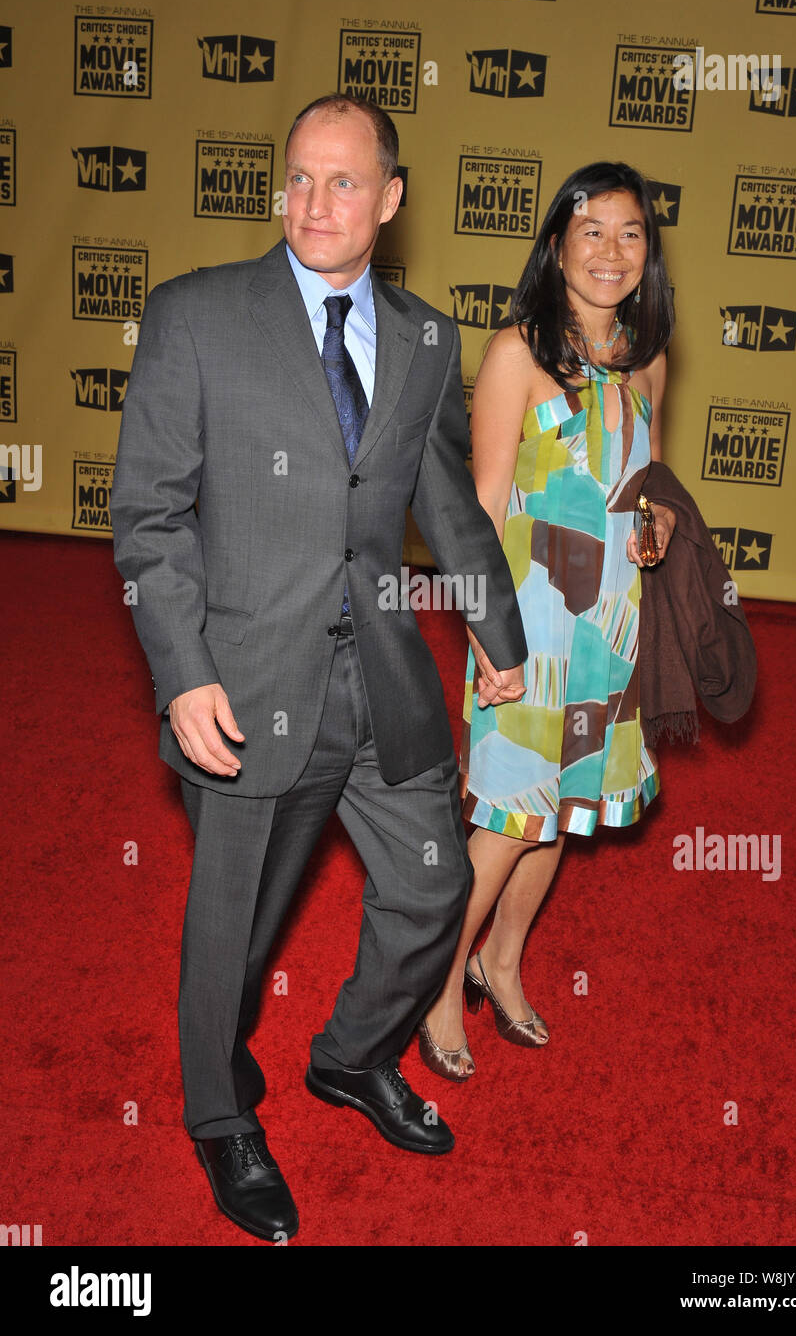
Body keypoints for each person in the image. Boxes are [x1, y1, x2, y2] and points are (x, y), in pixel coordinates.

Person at [110, 93, 527, 1242]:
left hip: (382, 675)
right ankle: (215, 1115)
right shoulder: (196, 316)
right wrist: (184, 669)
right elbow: (147, 519)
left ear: (390, 200)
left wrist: (499, 635)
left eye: (344, 182)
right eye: (298, 177)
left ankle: (347, 1056)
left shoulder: (429, 339)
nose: (315, 203)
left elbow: (448, 509)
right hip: (242, 687)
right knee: (232, 927)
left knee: (433, 890)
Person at [418, 161, 676, 1081]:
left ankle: (503, 961)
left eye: (631, 233)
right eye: (592, 230)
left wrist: (656, 524)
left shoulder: (645, 359)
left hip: (609, 630)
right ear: (558, 242)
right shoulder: (516, 354)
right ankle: (438, 988)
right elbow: (479, 511)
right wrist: (489, 642)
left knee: (559, 818)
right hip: (527, 629)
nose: (611, 252)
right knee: (504, 824)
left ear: (649, 252)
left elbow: (643, 485)